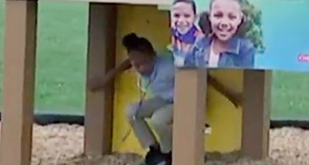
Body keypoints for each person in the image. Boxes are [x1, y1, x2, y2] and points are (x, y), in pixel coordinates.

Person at [88, 33, 241, 165]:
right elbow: (126, 64)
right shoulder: (137, 62)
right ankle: (153, 150)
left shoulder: (168, 66)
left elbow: (206, 78)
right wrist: (105, 80)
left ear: (152, 55)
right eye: (135, 63)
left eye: (141, 64)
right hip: (164, 99)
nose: (138, 68)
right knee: (132, 111)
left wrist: (230, 94)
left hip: (184, 101)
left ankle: (169, 154)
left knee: (158, 120)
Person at [184, 0, 256, 68]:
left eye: (232, 17)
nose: (224, 23)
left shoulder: (245, 49)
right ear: (210, 17)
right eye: (218, 15)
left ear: (240, 19)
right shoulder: (199, 45)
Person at [169, 0, 202, 66]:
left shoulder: (202, 43)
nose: (181, 20)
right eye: (176, 15)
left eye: (187, 16)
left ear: (195, 17)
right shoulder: (173, 37)